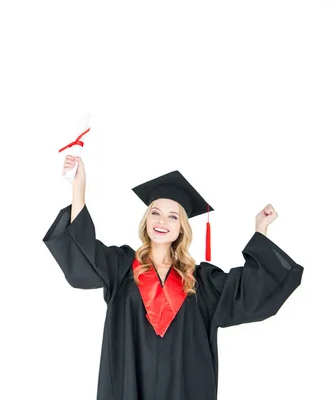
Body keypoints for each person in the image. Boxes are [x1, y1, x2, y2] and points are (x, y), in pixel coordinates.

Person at [42, 155, 303, 400]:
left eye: (172, 216)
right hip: (130, 386)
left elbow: (248, 292)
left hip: (185, 387)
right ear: (146, 220)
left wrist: (260, 231)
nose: (162, 221)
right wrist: (79, 188)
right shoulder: (121, 267)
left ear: (181, 228)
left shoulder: (200, 280)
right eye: (155, 212)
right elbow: (82, 256)